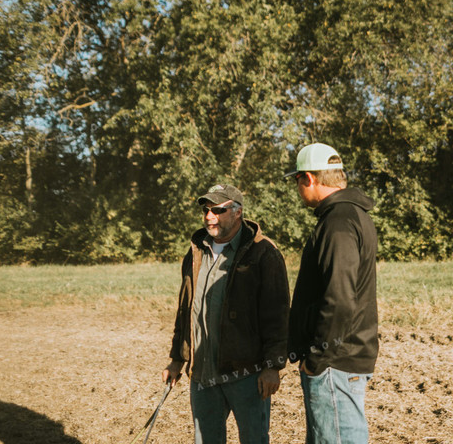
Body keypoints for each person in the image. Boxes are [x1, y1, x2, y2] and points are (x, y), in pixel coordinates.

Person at [162, 184, 290, 444]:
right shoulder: (196, 250)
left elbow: (277, 314)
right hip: (202, 373)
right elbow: (186, 308)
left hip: (246, 374)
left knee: (254, 439)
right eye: (206, 210)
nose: (209, 216)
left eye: (218, 210)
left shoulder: (263, 252)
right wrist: (178, 358)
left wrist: (273, 366)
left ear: (237, 212)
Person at [287, 143, 379, 443]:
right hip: (340, 360)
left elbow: (339, 297)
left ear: (309, 179)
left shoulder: (338, 223)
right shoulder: (351, 216)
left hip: (334, 363)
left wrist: (318, 358)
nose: (298, 189)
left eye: (297, 180)